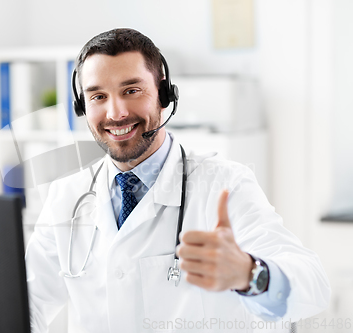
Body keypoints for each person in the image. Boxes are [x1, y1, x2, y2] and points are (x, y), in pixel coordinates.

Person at [25, 28, 330, 333]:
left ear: (164, 94)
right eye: (98, 96)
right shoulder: (67, 197)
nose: (115, 112)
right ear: (83, 107)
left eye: (131, 90)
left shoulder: (225, 185)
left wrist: (248, 273)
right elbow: (28, 304)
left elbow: (312, 286)